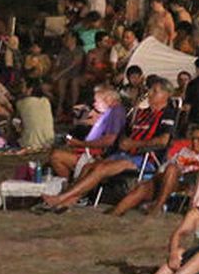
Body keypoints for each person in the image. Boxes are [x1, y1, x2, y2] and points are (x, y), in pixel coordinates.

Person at [39, 78, 179, 211]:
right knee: (89, 167)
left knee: (100, 168)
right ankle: (70, 199)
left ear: (166, 95)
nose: (150, 94)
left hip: (144, 157)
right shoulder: (142, 113)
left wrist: (133, 144)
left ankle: (62, 198)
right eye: (151, 90)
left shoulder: (167, 114)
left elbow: (163, 140)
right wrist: (124, 140)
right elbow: (125, 133)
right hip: (125, 153)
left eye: (155, 91)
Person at [108, 124, 199, 216]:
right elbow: (164, 168)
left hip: (182, 184)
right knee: (141, 189)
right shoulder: (184, 151)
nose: (195, 142)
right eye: (193, 139)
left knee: (171, 169)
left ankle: (157, 206)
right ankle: (113, 214)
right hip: (163, 179)